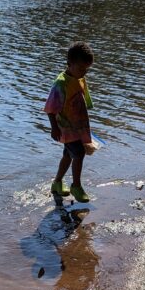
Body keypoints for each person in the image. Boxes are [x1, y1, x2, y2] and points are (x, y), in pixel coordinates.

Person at [44, 41, 95, 203]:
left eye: (86, 69)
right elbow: (50, 108)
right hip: (65, 127)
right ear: (70, 64)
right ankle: (76, 185)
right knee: (78, 154)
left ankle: (57, 183)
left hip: (77, 126)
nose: (84, 73)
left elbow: (82, 97)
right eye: (81, 69)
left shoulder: (79, 77)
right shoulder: (61, 83)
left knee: (68, 154)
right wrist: (54, 128)